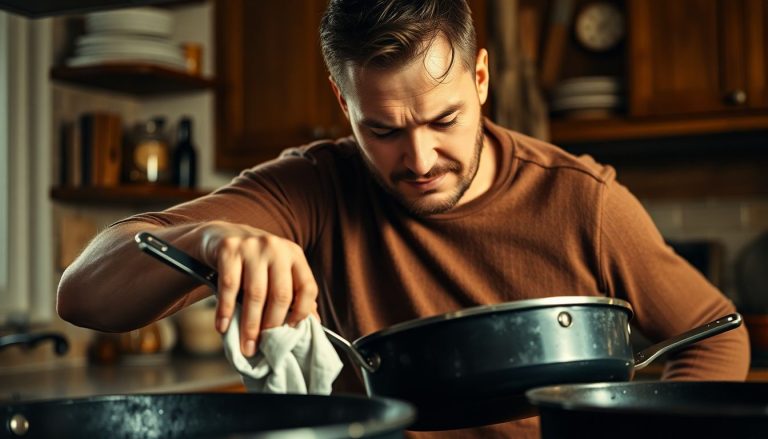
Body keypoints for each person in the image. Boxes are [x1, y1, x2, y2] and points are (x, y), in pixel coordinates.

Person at [57, 0, 749, 437]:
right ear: (344, 99)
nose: (419, 158)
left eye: (443, 119)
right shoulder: (314, 185)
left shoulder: (582, 200)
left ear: (480, 80)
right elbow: (83, 294)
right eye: (382, 129)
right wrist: (210, 236)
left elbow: (716, 334)